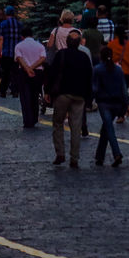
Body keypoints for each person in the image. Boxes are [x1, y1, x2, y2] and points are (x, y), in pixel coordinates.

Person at [49, 30, 93, 167]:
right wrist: (89, 99)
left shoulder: (60, 55)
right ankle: (74, 158)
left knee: (58, 123)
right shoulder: (84, 57)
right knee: (76, 127)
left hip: (63, 94)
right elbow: (89, 78)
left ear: (67, 43)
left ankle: (60, 153)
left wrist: (48, 91)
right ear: (79, 43)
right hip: (79, 95)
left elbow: (53, 73)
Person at [92, 44, 129, 166]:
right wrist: (126, 104)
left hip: (104, 103)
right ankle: (99, 156)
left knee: (109, 128)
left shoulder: (97, 69)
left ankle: (116, 153)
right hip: (117, 103)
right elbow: (124, 88)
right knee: (106, 128)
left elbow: (95, 88)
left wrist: (90, 99)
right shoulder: (118, 70)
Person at [14, 24, 46, 128]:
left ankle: (27, 120)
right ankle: (34, 117)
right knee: (35, 95)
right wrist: (32, 67)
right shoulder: (40, 45)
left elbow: (19, 58)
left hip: (23, 72)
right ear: (32, 35)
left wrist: (27, 69)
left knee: (24, 96)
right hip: (38, 72)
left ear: (22, 36)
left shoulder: (19, 46)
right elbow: (43, 58)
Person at [0, 4, 21, 94]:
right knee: (15, 73)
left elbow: (1, 39)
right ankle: (15, 91)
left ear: (6, 13)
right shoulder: (19, 24)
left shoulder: (3, 24)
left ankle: (3, 91)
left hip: (6, 52)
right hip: (16, 54)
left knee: (5, 73)